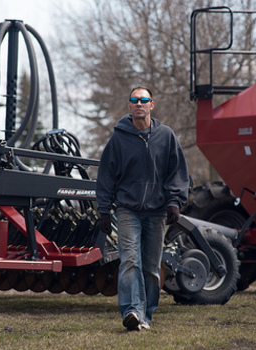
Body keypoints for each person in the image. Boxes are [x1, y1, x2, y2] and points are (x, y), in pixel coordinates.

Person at [96, 86, 189, 331]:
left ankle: (147, 314)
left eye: (144, 100)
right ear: (129, 105)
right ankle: (132, 311)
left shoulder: (166, 136)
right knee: (129, 261)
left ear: (152, 104)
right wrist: (104, 211)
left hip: (157, 211)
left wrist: (174, 202)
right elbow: (106, 176)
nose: (139, 103)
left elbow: (177, 173)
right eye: (135, 100)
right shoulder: (118, 138)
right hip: (128, 210)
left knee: (150, 268)